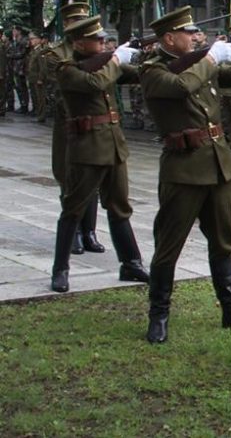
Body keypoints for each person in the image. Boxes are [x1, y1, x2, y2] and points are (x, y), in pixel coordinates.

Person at [139, 6, 231, 344]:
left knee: (223, 240)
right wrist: (210, 58)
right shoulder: (152, 70)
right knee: (169, 245)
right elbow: (179, 88)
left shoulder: (199, 64)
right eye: (187, 32)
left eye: (195, 32)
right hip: (184, 169)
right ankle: (158, 314)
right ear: (168, 38)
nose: (195, 36)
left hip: (218, 165)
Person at [50, 15, 150, 292]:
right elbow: (94, 83)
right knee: (73, 209)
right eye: (98, 39)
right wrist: (116, 58)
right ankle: (60, 269)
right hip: (87, 149)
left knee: (120, 208)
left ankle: (131, 263)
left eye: (105, 39)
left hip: (114, 146)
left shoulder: (105, 64)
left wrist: (152, 56)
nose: (104, 42)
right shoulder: (67, 68)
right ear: (79, 43)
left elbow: (138, 74)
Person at [43, 3, 105, 256]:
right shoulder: (55, 54)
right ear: (66, 25)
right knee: (68, 174)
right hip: (68, 122)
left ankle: (89, 231)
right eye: (73, 20)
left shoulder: (95, 51)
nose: (78, 23)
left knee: (93, 178)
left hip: (95, 122)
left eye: (82, 19)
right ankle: (75, 232)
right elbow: (64, 84)